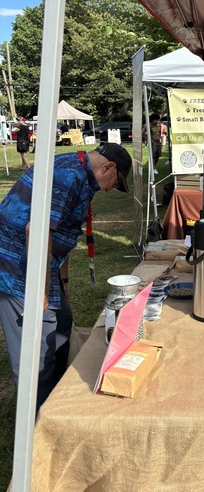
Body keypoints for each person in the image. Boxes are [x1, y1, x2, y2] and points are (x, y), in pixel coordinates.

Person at [0, 142, 132, 413]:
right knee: (35, 354)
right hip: (16, 269)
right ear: (107, 167)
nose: (109, 189)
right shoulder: (68, 176)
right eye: (114, 183)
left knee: (63, 322)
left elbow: (61, 233)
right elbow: (36, 231)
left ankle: (56, 403)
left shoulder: (79, 173)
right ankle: (36, 425)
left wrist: (63, 284)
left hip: (38, 265)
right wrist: (41, 292)